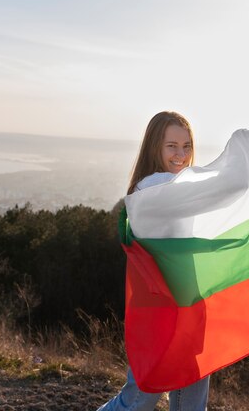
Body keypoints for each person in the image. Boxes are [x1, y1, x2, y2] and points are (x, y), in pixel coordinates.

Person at [97, 111, 210, 411]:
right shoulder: (153, 187)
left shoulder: (178, 185)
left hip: (187, 305)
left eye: (186, 146)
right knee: (139, 400)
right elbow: (214, 193)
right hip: (159, 312)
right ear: (154, 148)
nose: (181, 155)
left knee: (189, 400)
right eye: (171, 146)